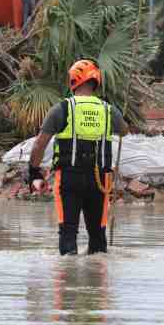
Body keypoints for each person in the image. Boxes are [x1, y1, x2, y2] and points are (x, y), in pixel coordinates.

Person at [27, 59, 128, 255]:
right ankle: (97, 281)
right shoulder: (108, 110)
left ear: (73, 81)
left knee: (68, 233)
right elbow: (124, 131)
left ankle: (67, 281)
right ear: (96, 81)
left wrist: (33, 172)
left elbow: (40, 143)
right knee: (98, 237)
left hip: (69, 180)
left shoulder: (62, 109)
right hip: (100, 182)